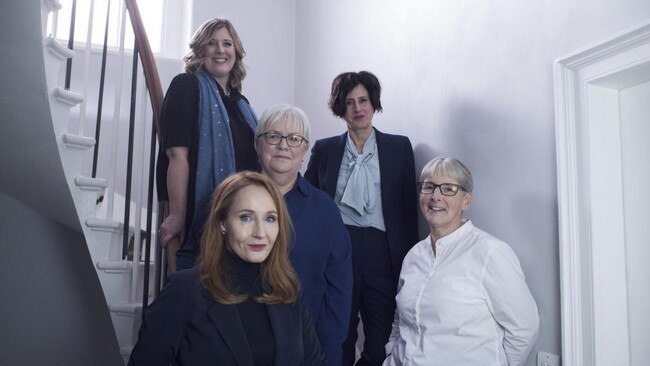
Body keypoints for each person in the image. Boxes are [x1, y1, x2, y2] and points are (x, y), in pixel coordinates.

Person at [129, 171, 326, 365]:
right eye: (246, 218)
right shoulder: (184, 291)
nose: (260, 232)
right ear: (223, 222)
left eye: (270, 219)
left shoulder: (287, 290)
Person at [305, 71, 419, 366]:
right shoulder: (325, 149)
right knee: (338, 330)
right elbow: (311, 200)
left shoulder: (399, 147)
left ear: (373, 103)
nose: (358, 108)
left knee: (381, 336)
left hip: (384, 250)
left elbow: (408, 210)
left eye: (363, 100)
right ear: (340, 109)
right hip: (340, 246)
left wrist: (410, 262)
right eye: (349, 102)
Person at [383, 157, 540, 366]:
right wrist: (390, 354)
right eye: (429, 187)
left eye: (448, 189)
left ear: (466, 200)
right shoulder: (413, 255)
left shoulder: (490, 253)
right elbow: (400, 321)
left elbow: (524, 329)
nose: (435, 196)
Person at [156, 18, 259, 272]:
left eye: (227, 43)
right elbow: (176, 155)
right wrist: (177, 215)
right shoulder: (186, 86)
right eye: (212, 43)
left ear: (236, 51)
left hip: (240, 216)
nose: (220, 50)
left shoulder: (241, 103)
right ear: (200, 50)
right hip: (200, 213)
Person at [256, 104, 353, 366]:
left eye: (294, 138)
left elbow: (339, 289)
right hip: (235, 345)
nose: (283, 146)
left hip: (303, 351)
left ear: (305, 150)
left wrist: (328, 354)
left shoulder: (325, 210)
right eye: (273, 136)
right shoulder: (228, 198)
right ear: (258, 143)